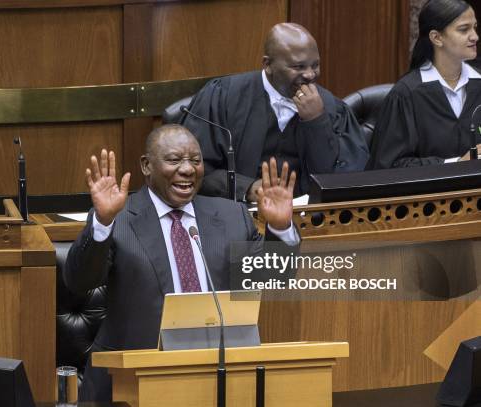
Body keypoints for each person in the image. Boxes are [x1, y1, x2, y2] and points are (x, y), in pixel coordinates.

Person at [64, 124, 299, 401]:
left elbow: (270, 277)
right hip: (133, 382)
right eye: (174, 160)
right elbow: (79, 281)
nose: (188, 169)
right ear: (147, 166)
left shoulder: (231, 216)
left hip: (221, 377)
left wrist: (281, 229)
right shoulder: (120, 217)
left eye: (195, 161)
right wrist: (102, 223)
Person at [181, 23, 369, 200]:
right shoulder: (223, 96)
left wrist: (316, 123)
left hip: (310, 222)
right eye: (298, 67)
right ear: (268, 65)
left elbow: (347, 180)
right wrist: (246, 188)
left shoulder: (332, 108)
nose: (310, 74)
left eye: (315, 65)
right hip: (236, 217)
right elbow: (194, 168)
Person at [369, 0, 481, 169]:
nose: (475, 36)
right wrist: (456, 164)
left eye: (475, 27)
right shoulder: (406, 94)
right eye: (464, 29)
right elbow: (390, 166)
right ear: (436, 37)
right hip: (429, 194)